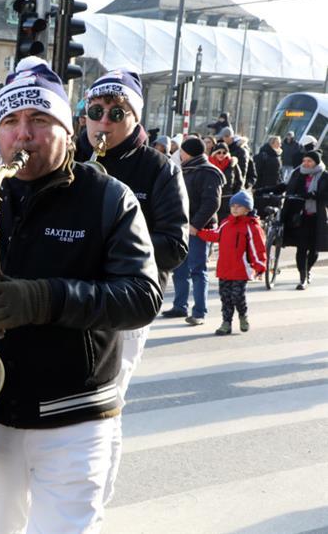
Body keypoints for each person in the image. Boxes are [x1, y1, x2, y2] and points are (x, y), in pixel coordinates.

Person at [0, 56, 161, 533]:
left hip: (77, 417)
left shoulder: (110, 197)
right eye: (9, 121)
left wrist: (45, 298)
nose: (22, 135)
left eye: (39, 120)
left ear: (67, 130)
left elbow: (142, 295)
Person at [75, 68, 188, 504]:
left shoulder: (159, 168)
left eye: (116, 113)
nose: (103, 122)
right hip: (75, 296)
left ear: (134, 118)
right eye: (95, 111)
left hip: (125, 303)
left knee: (107, 405)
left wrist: (116, 244)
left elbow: (176, 245)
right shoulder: (71, 159)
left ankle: (96, 504)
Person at [164, 137, 225, 325]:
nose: (179, 154)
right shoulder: (186, 169)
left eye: (181, 151)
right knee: (179, 269)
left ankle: (199, 312)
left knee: (198, 270)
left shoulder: (209, 172)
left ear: (187, 153)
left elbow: (212, 202)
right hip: (183, 227)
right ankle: (179, 306)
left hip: (198, 230)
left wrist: (195, 225)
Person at [197, 190, 266, 335]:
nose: (234, 208)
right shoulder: (226, 223)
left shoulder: (252, 227)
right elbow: (215, 235)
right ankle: (226, 323)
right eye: (232, 206)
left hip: (241, 270)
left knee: (237, 296)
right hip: (224, 269)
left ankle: (242, 315)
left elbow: (257, 248)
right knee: (225, 298)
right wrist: (198, 232)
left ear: (247, 209)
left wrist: (260, 265)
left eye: (239, 206)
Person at [259, 150, 328, 289]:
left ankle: (308, 270)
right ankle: (302, 277)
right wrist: (264, 190)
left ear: (316, 162)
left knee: (314, 249)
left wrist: (315, 195)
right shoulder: (297, 172)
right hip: (298, 216)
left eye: (310, 161)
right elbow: (285, 186)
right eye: (305, 161)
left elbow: (326, 194)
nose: (306, 164)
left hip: (316, 216)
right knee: (301, 248)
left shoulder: (324, 176)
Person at [253, 135, 283, 214]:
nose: (280, 145)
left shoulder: (276, 155)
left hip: (273, 189)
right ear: (272, 144)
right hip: (263, 188)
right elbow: (256, 172)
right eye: (278, 143)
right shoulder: (263, 155)